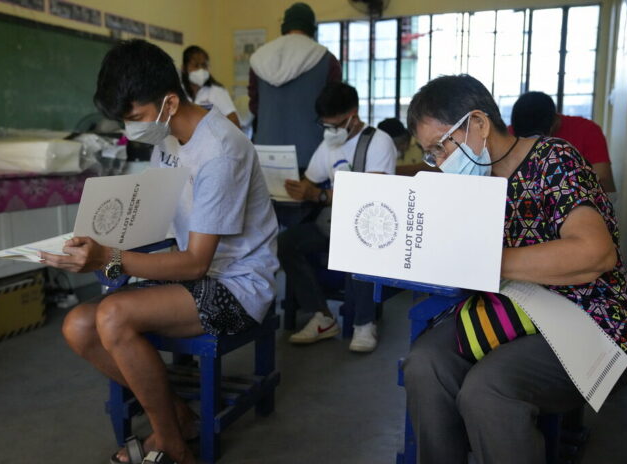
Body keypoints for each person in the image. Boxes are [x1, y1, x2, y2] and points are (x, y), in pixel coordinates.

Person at [40, 40, 279, 464]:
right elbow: (153, 217)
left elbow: (195, 263)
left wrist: (107, 257)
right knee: (78, 326)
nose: (131, 129)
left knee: (113, 316)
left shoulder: (220, 150)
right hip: (191, 272)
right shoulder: (167, 138)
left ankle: (171, 443)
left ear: (169, 101)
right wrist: (95, 238)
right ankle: (177, 415)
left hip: (238, 283)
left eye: (135, 118)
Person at [403, 75, 627, 463]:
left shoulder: (554, 160)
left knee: (488, 390)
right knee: (425, 364)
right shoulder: (472, 184)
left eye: (443, 147)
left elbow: (596, 254)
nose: (443, 163)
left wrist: (487, 261)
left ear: (478, 123)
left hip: (583, 316)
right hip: (506, 311)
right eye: (433, 154)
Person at [278, 82, 397, 352]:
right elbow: (310, 181)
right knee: (286, 243)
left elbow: (373, 195)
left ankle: (364, 324)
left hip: (369, 228)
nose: (330, 132)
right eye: (326, 126)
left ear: (353, 115)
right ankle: (322, 316)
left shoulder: (378, 143)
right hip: (333, 225)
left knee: (359, 245)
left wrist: (319, 196)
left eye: (336, 125)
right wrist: (297, 188)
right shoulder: (329, 145)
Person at [249, 2, 342, 169]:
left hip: (265, 154)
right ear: (312, 28)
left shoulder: (259, 59)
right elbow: (335, 110)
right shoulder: (326, 59)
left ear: (284, 25)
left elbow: (254, 106)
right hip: (312, 155)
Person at [510, 91, 616, 193]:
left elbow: (605, 183)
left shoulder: (586, 131)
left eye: (537, 140)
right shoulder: (510, 133)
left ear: (554, 123)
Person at [181, 45, 240, 128]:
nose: (201, 70)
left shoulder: (217, 91)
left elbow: (235, 122)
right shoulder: (178, 91)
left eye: (204, 65)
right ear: (183, 68)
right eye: (196, 66)